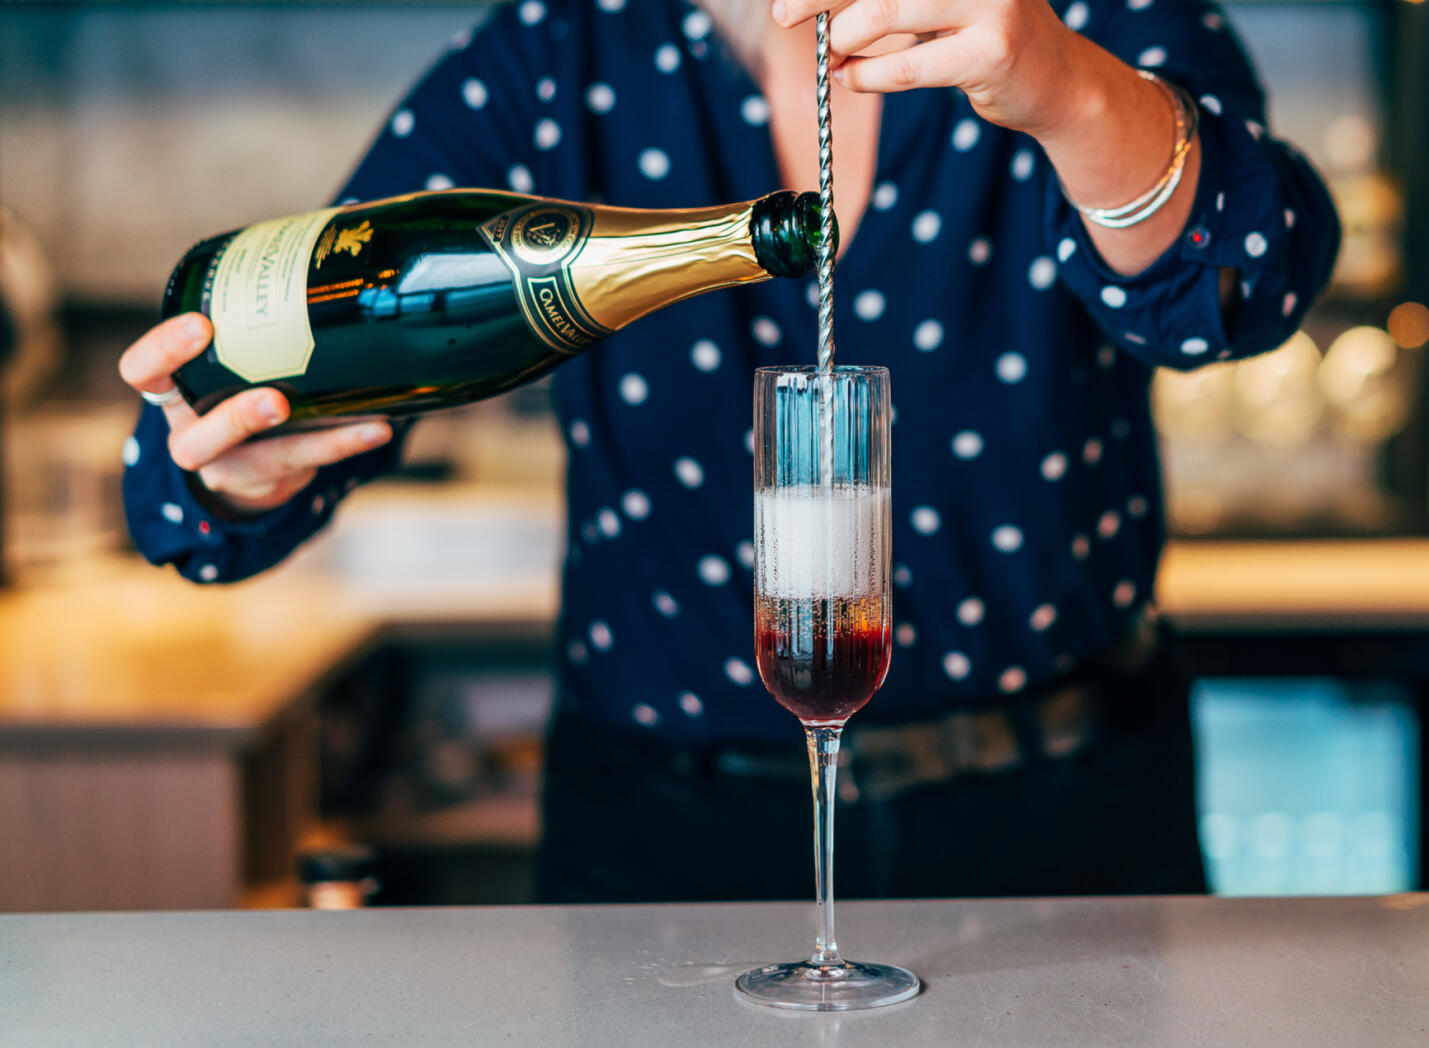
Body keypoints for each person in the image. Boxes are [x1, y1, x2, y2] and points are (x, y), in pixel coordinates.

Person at [120, 0, 1338, 901]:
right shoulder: (559, 56)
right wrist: (234, 464)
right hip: (663, 838)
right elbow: (288, 387)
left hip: (1066, 819)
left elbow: (1253, 283)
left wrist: (1073, 93)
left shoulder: (1079, 20)